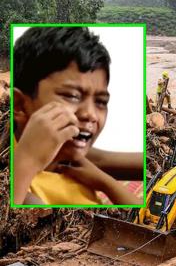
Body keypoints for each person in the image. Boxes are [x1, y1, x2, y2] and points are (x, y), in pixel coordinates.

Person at [13, 27, 141, 205]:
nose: (90, 114)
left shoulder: (71, 155)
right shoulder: (24, 188)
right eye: (72, 96)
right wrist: (108, 184)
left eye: (101, 102)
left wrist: (104, 182)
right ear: (19, 104)